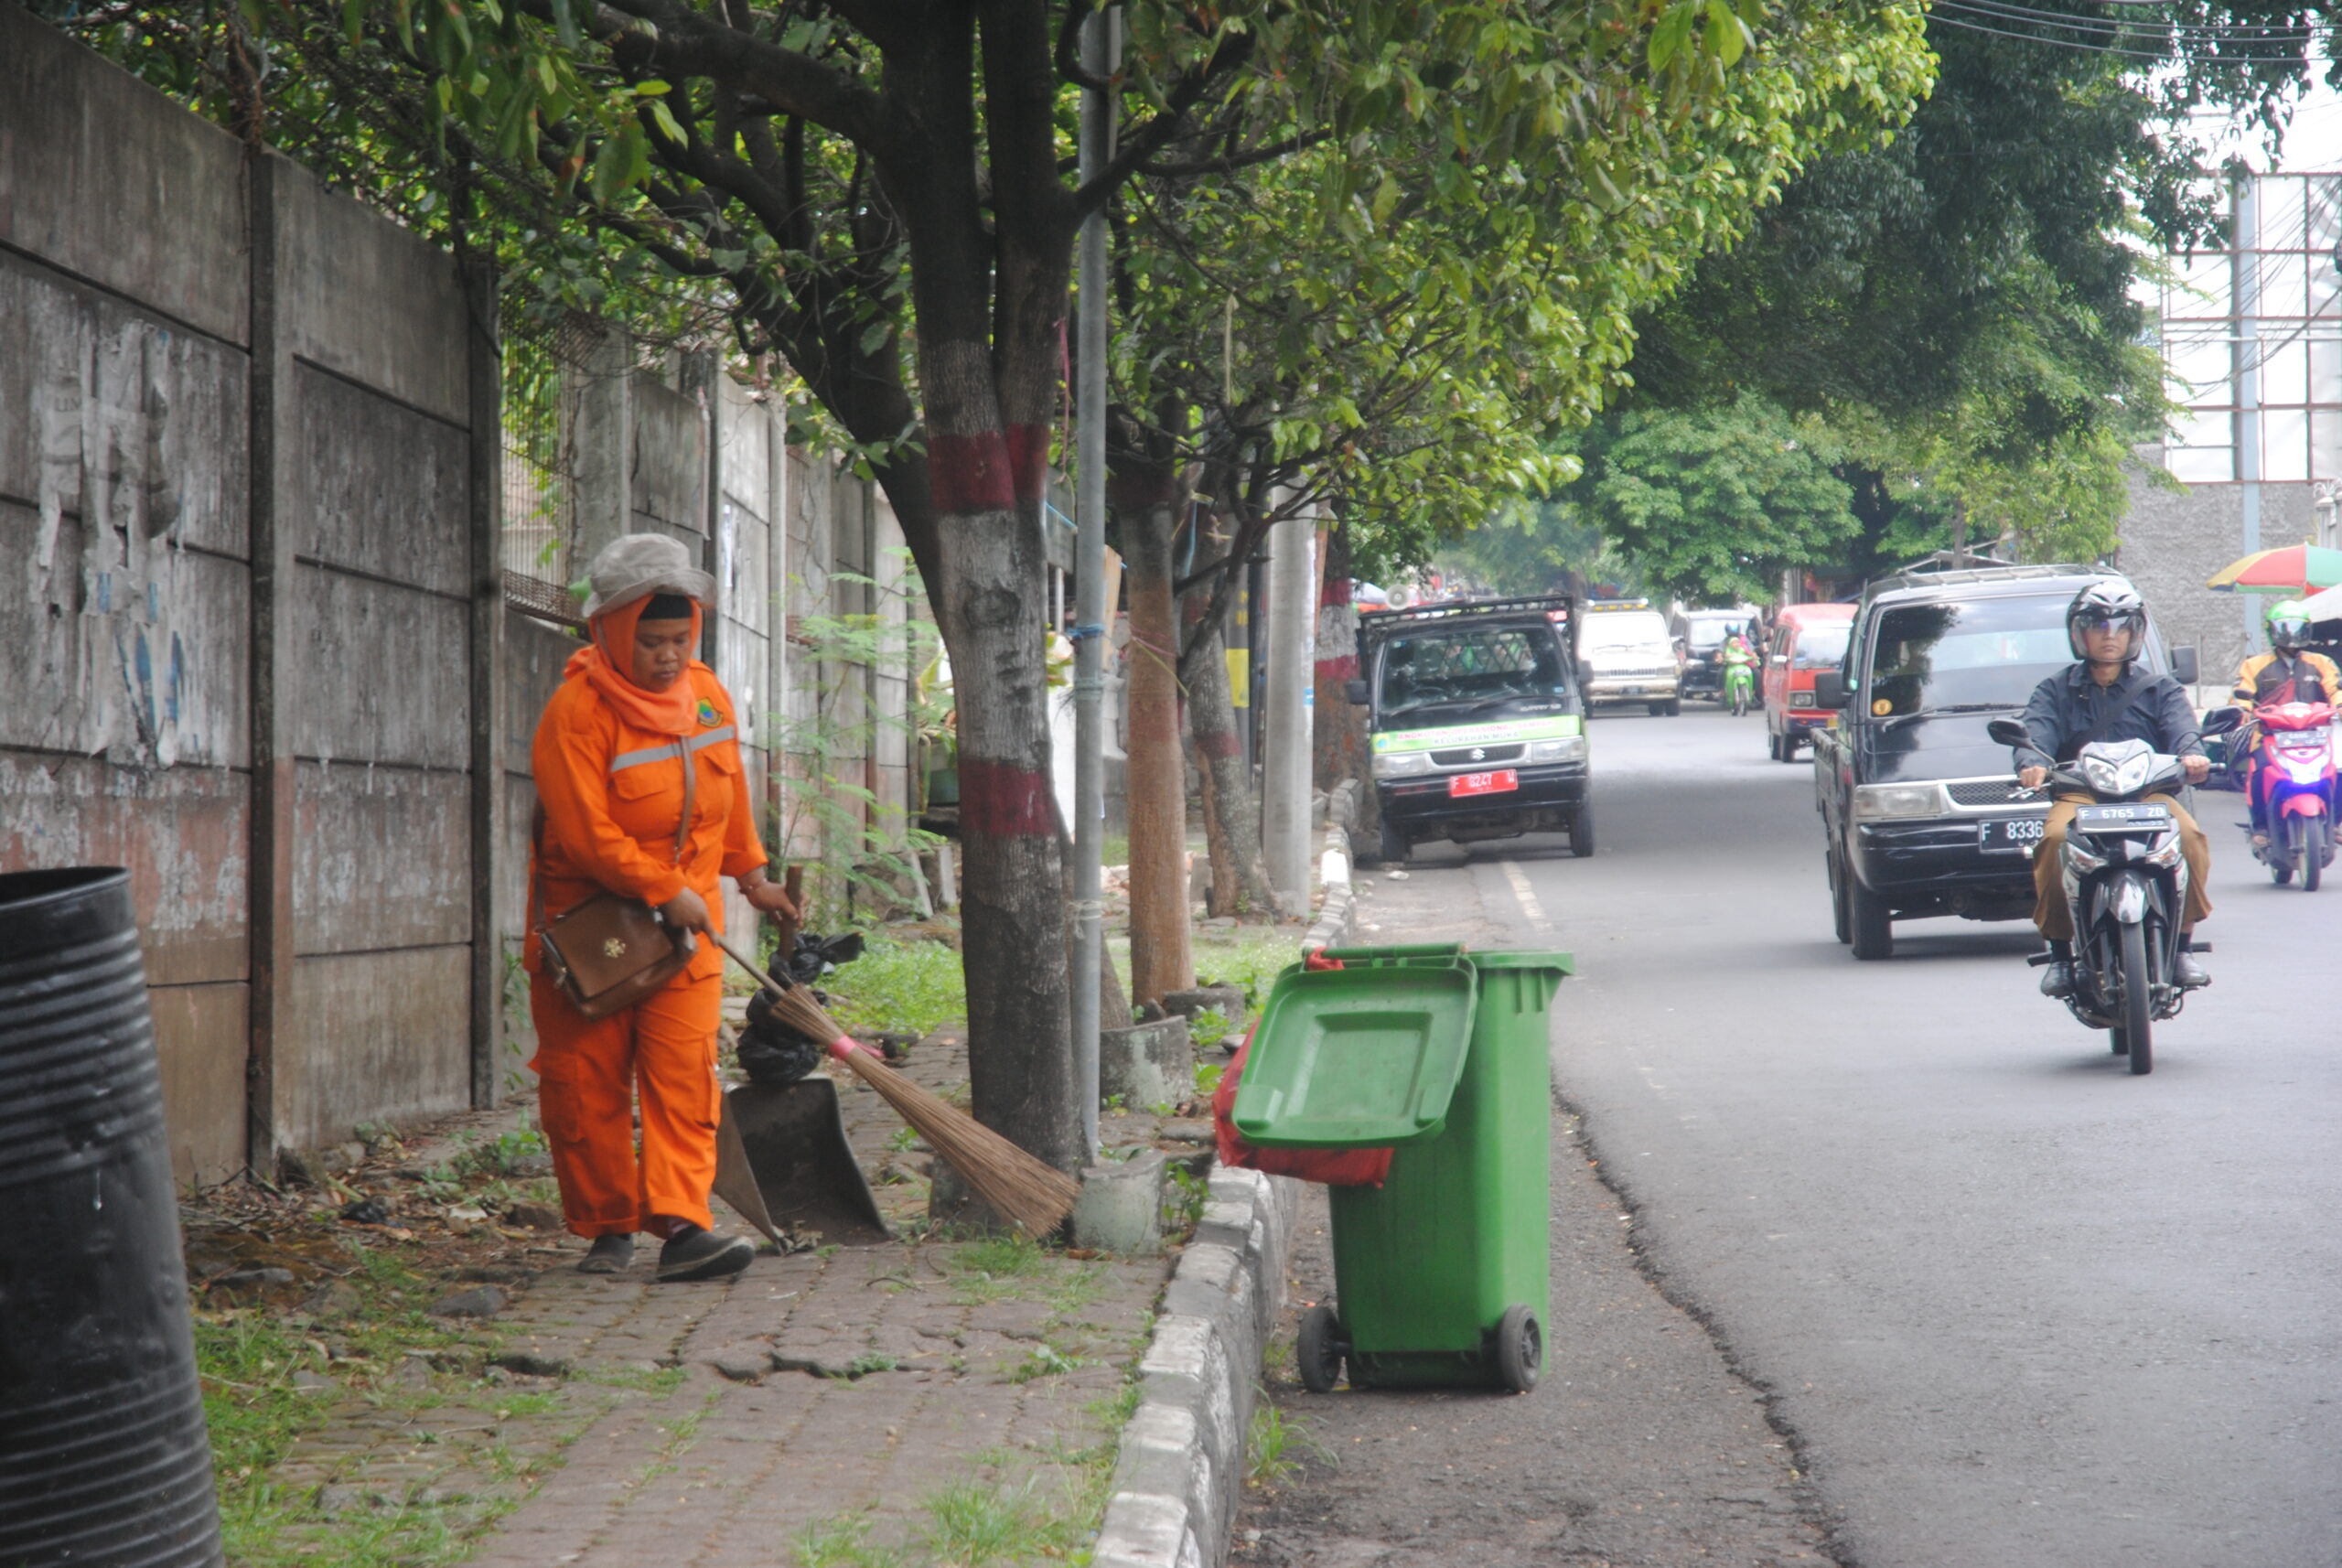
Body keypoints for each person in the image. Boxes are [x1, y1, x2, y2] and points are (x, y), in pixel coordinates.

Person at [528, 534, 800, 1282]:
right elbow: (586, 835)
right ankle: (607, 1229)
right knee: (587, 1082)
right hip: (591, 934)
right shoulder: (575, 715)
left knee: (685, 1073)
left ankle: (683, 1227)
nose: (669, 656)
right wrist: (662, 890)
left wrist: (752, 877)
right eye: (651, 641)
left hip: (688, 927)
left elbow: (727, 797)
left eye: (680, 639)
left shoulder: (707, 695)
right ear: (611, 633)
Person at [2010, 581, 2213, 997]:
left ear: (2134, 634)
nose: (2109, 636)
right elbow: (2036, 735)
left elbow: (2183, 732)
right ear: (2078, 633)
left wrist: (2192, 755)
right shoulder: (2053, 689)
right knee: (2051, 841)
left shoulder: (2160, 689)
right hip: (2081, 796)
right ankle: (2061, 955)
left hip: (2148, 795)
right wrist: (2031, 764)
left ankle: (2181, 947)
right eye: (2099, 626)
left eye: (2120, 627)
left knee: (2190, 837)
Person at [2228, 599, 2342, 848]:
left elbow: (2336, 690)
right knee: (2259, 772)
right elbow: (2241, 695)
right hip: (2270, 735)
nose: (2292, 635)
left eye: (2297, 628)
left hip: (2317, 735)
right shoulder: (2254, 665)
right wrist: (2243, 712)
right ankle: (2261, 827)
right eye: (2286, 628)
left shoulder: (2322, 663)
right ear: (2273, 631)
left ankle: (2335, 821)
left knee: (2338, 769)